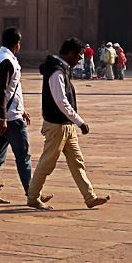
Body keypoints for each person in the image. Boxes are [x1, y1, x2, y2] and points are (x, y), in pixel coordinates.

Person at [26, 38, 110, 210]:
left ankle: (89, 197)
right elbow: (61, 101)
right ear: (71, 54)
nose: (79, 60)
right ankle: (33, 197)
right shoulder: (56, 72)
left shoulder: (61, 70)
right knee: (47, 163)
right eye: (79, 56)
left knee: (77, 161)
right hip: (57, 125)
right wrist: (79, 121)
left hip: (66, 125)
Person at [0, 26, 34, 205]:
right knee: (23, 157)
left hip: (3, 114)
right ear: (17, 44)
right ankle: (32, 194)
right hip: (9, 119)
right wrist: (4, 117)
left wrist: (19, 108)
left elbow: (10, 90)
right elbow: (1, 91)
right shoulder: (6, 60)